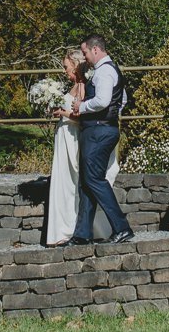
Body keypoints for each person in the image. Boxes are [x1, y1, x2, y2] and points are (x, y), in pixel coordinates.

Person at [45, 51, 118, 246]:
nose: (64, 71)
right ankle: (62, 229)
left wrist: (63, 112)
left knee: (72, 184)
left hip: (73, 138)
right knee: (63, 184)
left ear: (76, 66)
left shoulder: (85, 86)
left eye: (66, 67)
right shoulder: (74, 85)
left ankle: (73, 229)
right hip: (64, 138)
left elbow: (83, 114)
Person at [66, 35, 134, 244]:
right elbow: (121, 100)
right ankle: (83, 234)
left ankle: (122, 227)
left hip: (98, 131)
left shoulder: (104, 71)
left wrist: (82, 107)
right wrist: (110, 116)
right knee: (88, 181)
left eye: (85, 52)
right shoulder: (110, 70)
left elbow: (104, 100)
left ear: (96, 50)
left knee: (94, 180)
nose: (84, 57)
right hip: (102, 129)